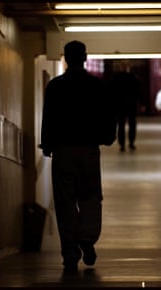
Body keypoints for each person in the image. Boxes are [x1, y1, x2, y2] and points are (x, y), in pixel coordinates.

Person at [39, 40, 116, 272]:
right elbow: (107, 115)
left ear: (65, 58)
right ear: (84, 58)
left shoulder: (55, 87)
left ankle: (70, 252)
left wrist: (47, 144)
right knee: (91, 197)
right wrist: (108, 137)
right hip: (89, 150)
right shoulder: (97, 86)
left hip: (62, 150)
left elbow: (48, 117)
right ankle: (87, 238)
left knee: (65, 202)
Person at [111, 61, 144, 152]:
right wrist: (142, 103)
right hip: (130, 104)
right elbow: (138, 91)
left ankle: (123, 144)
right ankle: (130, 143)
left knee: (122, 125)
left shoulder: (116, 78)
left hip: (121, 105)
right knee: (130, 124)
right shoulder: (132, 77)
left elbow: (112, 92)